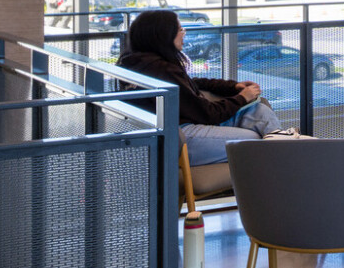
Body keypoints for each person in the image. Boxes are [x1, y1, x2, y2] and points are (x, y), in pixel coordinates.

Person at [117, 8, 288, 166]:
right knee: (256, 141)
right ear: (164, 36)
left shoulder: (142, 63)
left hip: (182, 128)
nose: (183, 33)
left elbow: (192, 83)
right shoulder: (161, 69)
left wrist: (233, 86)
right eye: (179, 29)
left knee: (259, 111)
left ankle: (288, 163)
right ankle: (286, 171)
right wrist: (242, 97)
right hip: (180, 136)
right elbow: (207, 113)